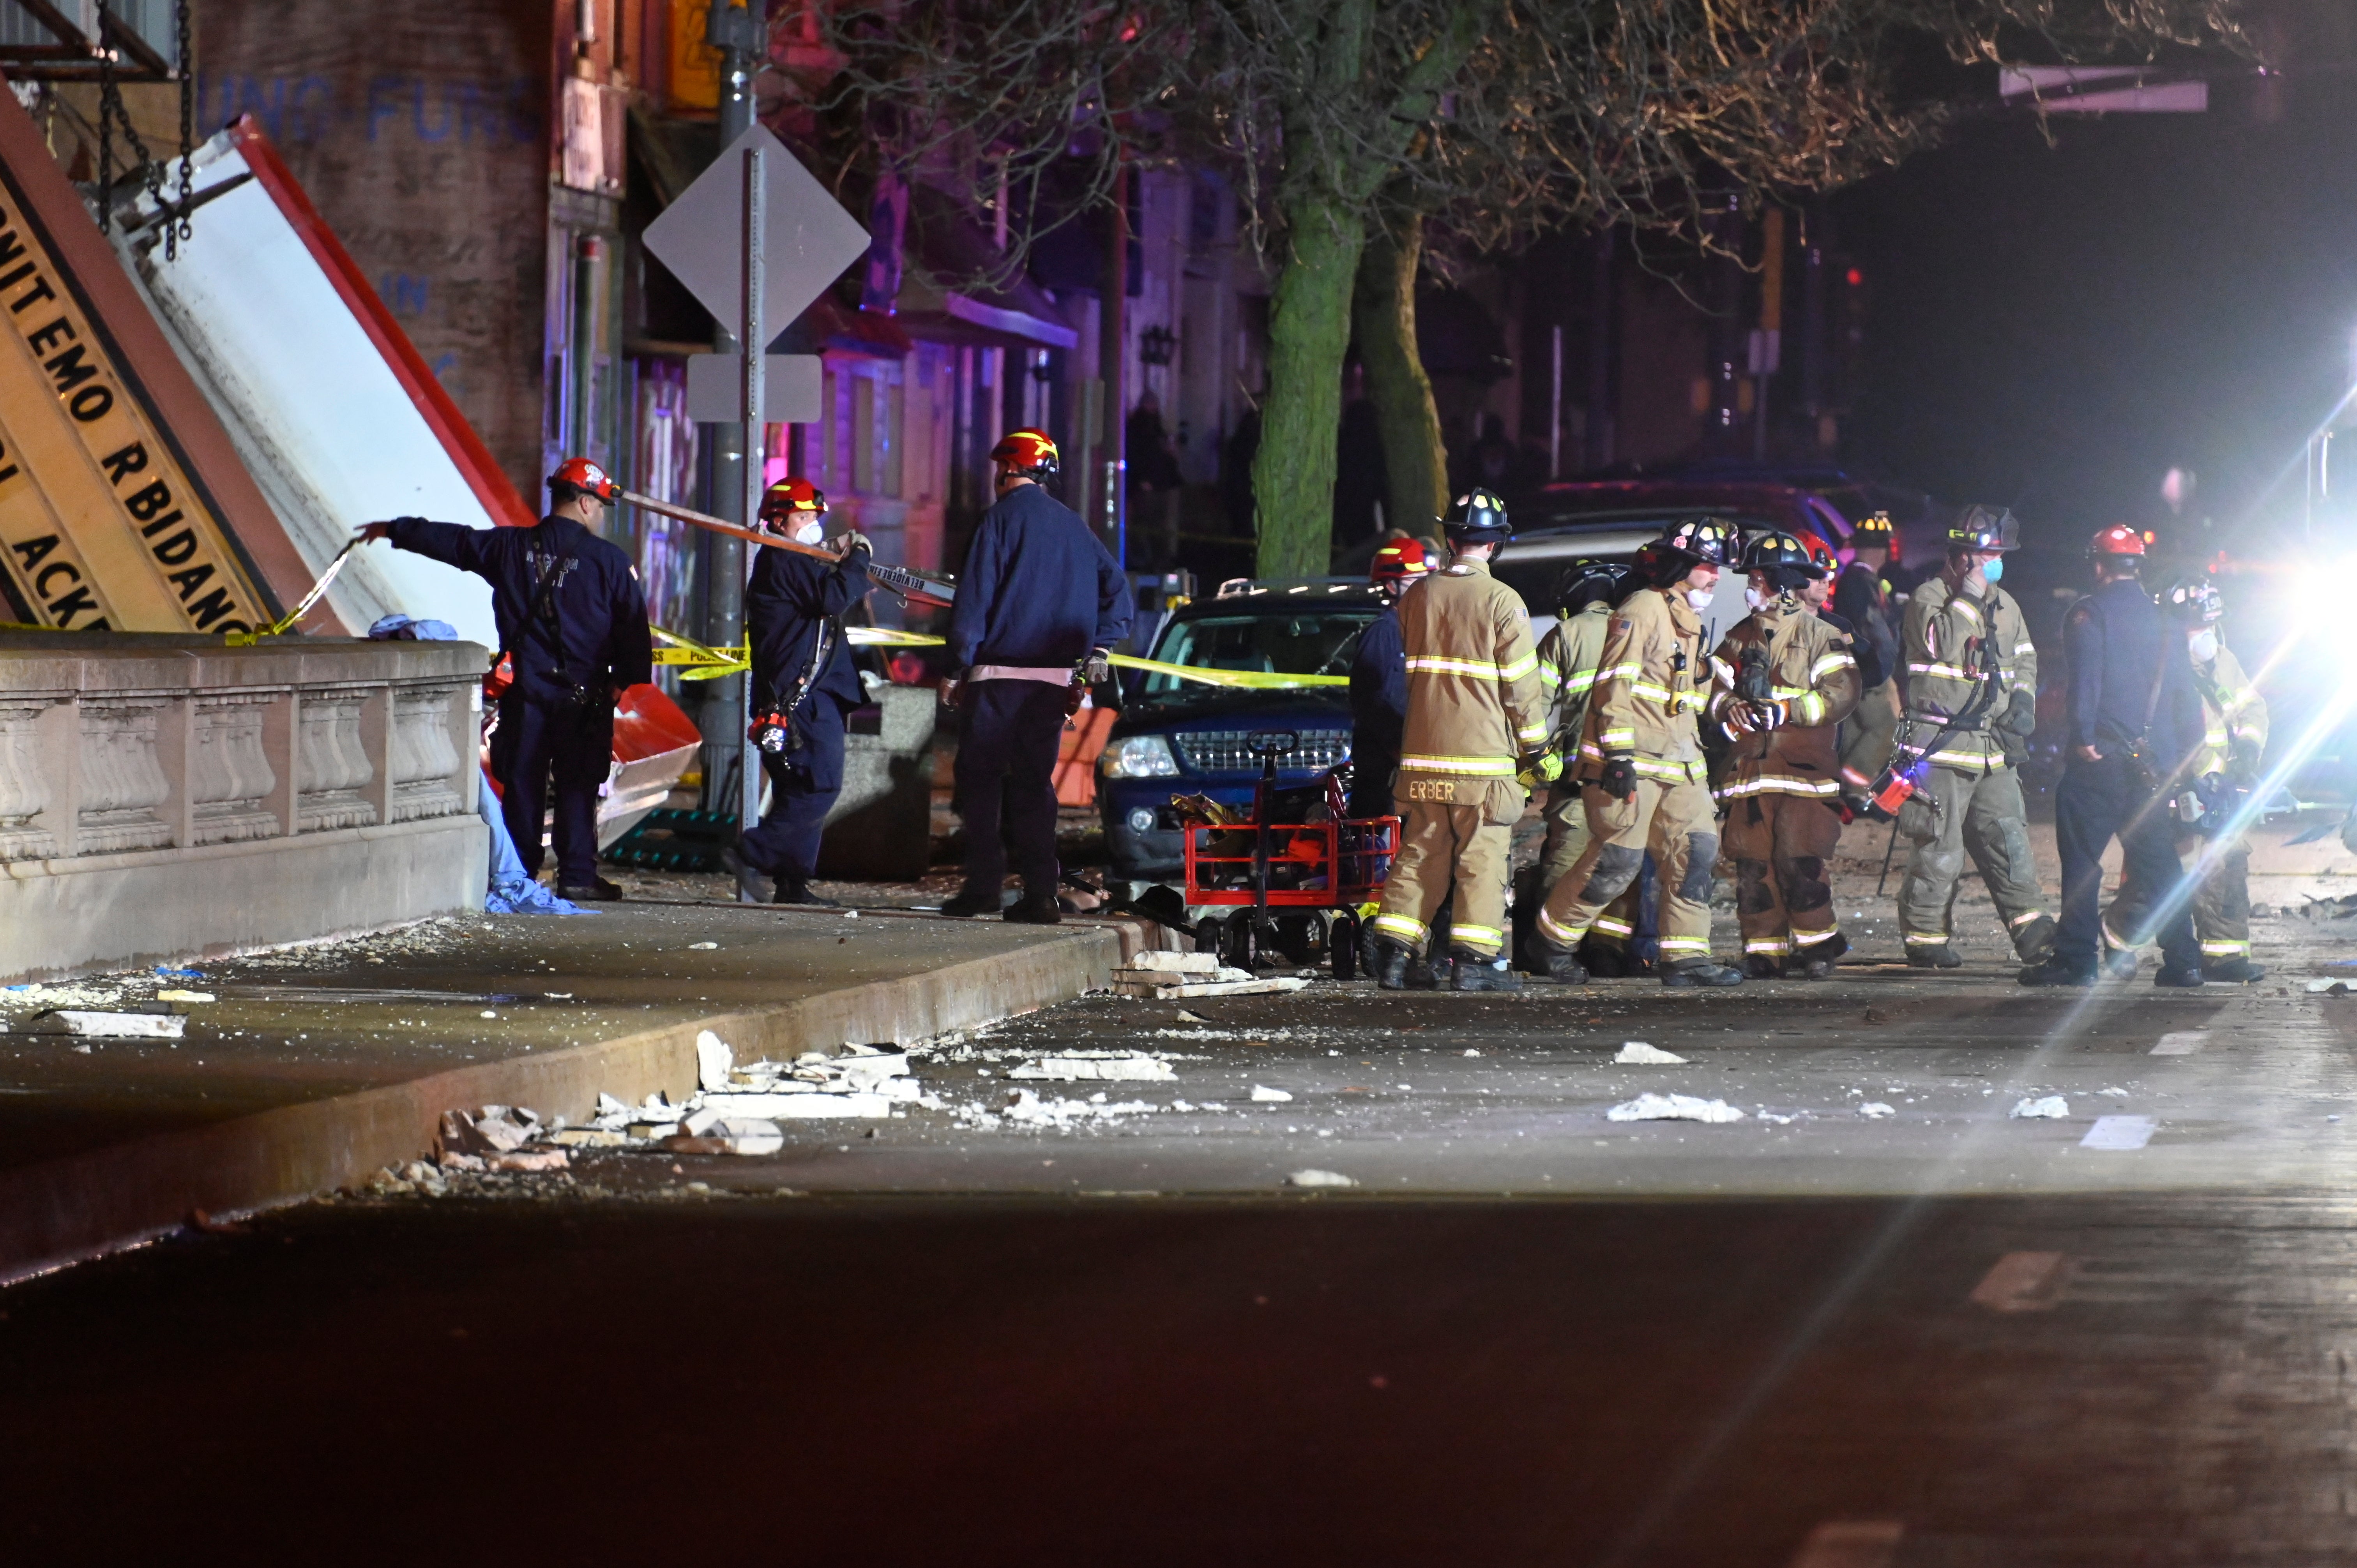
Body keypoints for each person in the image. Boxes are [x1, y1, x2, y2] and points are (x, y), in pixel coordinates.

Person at [362, 456, 651, 902]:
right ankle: (577, 875)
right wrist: (621, 682)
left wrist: (395, 529)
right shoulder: (610, 562)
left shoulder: (510, 548)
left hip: (526, 695)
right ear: (588, 503)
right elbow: (634, 632)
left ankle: (518, 874)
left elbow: (456, 542)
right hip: (584, 699)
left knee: (523, 785)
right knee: (577, 785)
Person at [1532, 517, 1746, 988]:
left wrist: (1729, 695)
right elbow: (1615, 685)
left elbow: (1686, 691)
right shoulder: (1644, 608)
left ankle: (1686, 957)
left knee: (1696, 852)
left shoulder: (1688, 620)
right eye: (1708, 566)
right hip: (1633, 767)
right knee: (1617, 862)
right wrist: (1619, 758)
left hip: (1681, 766)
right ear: (1682, 565)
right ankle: (1552, 941)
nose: (1716, 577)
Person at [941, 428, 1133, 923]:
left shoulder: (997, 522)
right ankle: (1041, 894)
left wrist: (955, 666)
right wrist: (1100, 646)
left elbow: (974, 603)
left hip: (998, 677)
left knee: (980, 782)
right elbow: (1118, 590)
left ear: (1008, 469)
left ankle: (984, 887)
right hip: (1053, 683)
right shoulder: (1074, 526)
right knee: (1034, 785)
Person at [1369, 489, 1553, 993]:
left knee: (1421, 854)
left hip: (1423, 758)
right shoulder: (1502, 601)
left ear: (1450, 539)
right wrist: (1536, 751)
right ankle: (1474, 964)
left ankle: (1393, 959)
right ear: (1495, 546)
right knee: (1482, 858)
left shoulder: (1418, 596)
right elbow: (1521, 687)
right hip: (1482, 763)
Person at [2023, 525, 2204, 986]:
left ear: (2098, 564)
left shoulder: (2090, 613)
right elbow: (2186, 695)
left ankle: (2077, 959)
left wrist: (2083, 736)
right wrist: (2183, 758)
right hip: (2152, 766)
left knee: (2083, 860)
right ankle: (2185, 962)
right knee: (2161, 863)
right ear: (2137, 567)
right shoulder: (2165, 619)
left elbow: (2087, 680)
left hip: (2101, 757)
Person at [1889, 506, 2054, 968]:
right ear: (1962, 557)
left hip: (1992, 748)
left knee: (2009, 839)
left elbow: (2026, 660)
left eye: (2001, 554)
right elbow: (1939, 643)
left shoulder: (2007, 605)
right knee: (1940, 847)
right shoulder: (1929, 597)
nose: (1997, 563)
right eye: (1989, 555)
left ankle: (2035, 933)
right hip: (1941, 748)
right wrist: (1969, 597)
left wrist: (2023, 702)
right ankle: (1925, 938)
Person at [2101, 573, 2267, 983]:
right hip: (2177, 786)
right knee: (2162, 877)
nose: (2206, 633)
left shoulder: (2223, 662)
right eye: (2198, 625)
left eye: (2211, 624)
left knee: (2228, 868)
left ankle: (2224, 956)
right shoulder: (2157, 666)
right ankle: (2119, 937)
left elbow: (2253, 709)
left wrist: (2247, 751)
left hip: (2221, 786)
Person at [1709, 532, 1861, 978]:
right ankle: (1763, 952)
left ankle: (1818, 948)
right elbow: (1710, 689)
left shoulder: (1821, 635)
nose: (1750, 587)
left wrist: (1788, 710)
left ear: (1780, 582)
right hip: (1750, 776)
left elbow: (1841, 694)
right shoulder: (1739, 637)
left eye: (1757, 579)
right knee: (1753, 868)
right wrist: (1728, 706)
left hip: (1803, 775)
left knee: (1800, 862)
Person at [737, 478, 872, 906]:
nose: (812, 526)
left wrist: (832, 556)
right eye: (803, 517)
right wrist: (859, 559)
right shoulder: (783, 559)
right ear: (778, 520)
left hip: (789, 698)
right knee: (820, 786)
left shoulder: (788, 560)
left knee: (797, 790)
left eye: (815, 517)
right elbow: (831, 598)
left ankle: (792, 884)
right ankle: (752, 850)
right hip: (802, 700)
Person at [1516, 558, 1639, 971]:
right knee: (1624, 860)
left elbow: (1537, 709)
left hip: (1575, 780)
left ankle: (1551, 948)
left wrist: (1532, 762)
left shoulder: (1565, 634)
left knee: (1566, 861)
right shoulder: (1641, 627)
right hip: (1634, 776)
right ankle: (1608, 949)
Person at [1347, 535, 1429, 821]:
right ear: (1391, 586)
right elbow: (1377, 701)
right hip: (1384, 773)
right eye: (1414, 580)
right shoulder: (1384, 633)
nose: (1423, 587)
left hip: (1412, 763)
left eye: (1426, 578)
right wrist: (1401, 750)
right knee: (1381, 851)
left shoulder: (1417, 629)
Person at [1832, 512, 1903, 804]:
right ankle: (1856, 789)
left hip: (1859, 670)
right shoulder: (1860, 583)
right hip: (1870, 672)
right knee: (1888, 725)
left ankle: (1849, 791)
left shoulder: (1859, 580)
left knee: (1857, 731)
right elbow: (1872, 631)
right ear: (1882, 549)